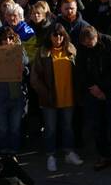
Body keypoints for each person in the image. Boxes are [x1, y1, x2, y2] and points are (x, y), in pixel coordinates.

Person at [30, 25, 84, 173]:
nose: (58, 38)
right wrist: (45, 93)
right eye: (55, 35)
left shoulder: (71, 50)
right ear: (49, 36)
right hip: (50, 99)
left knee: (68, 127)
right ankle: (51, 156)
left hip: (69, 97)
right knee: (50, 129)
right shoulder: (43, 52)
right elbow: (35, 78)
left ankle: (69, 153)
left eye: (61, 35)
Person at [74, 22, 111, 176]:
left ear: (96, 37)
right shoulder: (82, 46)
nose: (89, 47)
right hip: (93, 90)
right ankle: (104, 156)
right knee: (97, 126)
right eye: (86, 45)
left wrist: (103, 89)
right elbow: (81, 70)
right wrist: (93, 88)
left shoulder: (110, 43)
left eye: (91, 44)